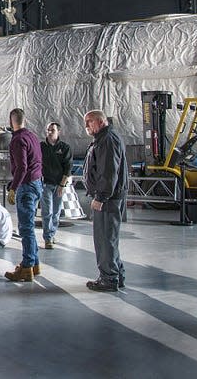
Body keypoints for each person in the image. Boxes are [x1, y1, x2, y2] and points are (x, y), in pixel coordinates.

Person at [83, 110, 128, 292]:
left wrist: (100, 197)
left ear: (100, 122)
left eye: (89, 122)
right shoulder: (103, 138)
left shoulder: (107, 140)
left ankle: (108, 279)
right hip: (110, 197)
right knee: (109, 239)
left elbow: (108, 171)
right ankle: (117, 275)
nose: (86, 127)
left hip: (108, 199)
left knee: (104, 239)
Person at [4, 108, 44, 282]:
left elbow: (22, 167)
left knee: (25, 229)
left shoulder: (17, 140)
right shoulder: (32, 136)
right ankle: (34, 263)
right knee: (29, 228)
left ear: (11, 121)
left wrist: (14, 187)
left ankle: (26, 268)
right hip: (37, 184)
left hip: (26, 186)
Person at [40, 122, 72, 249]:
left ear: (59, 131)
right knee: (47, 212)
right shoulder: (41, 146)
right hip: (45, 184)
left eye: (52, 130)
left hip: (59, 184)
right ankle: (48, 238)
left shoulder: (64, 148)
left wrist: (62, 185)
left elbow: (68, 167)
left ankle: (52, 233)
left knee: (56, 212)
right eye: (48, 130)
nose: (49, 132)